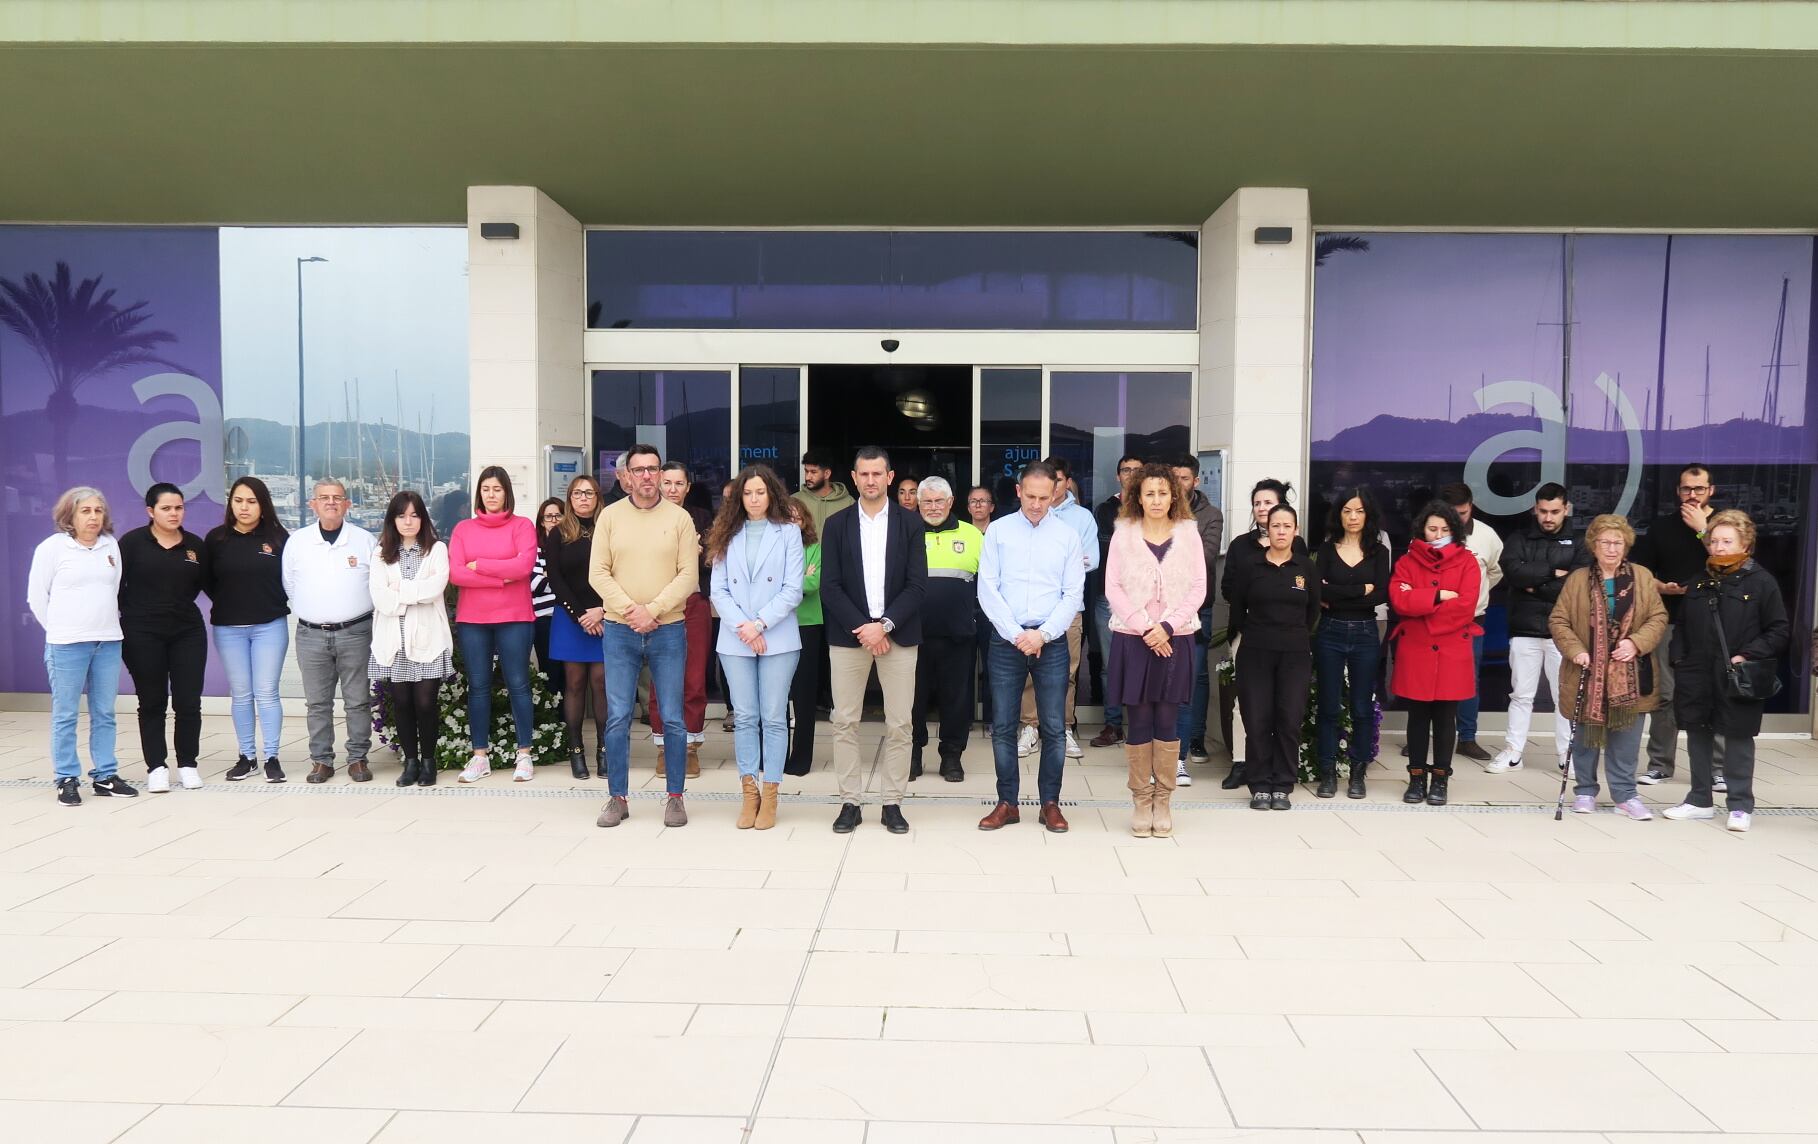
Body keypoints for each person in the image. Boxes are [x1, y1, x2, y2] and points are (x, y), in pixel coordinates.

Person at [589, 443, 701, 828]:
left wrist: (651, 610)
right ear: (627, 476)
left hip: (667, 629)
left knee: (672, 717)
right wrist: (632, 611)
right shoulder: (610, 517)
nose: (648, 477)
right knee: (618, 716)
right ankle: (617, 797)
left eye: (653, 469)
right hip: (620, 630)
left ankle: (674, 797)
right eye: (640, 470)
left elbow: (688, 575)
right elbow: (598, 573)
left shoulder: (680, 519)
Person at [821, 446, 927, 835]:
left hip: (897, 634)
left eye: (877, 474)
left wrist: (884, 625)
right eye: (863, 474)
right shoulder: (837, 525)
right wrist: (865, 629)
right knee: (844, 721)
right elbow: (830, 588)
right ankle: (850, 801)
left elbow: (918, 586)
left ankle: (892, 803)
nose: (870, 481)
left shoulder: (910, 523)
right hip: (850, 637)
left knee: (900, 723)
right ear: (854, 477)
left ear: (890, 476)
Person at [1662, 510, 1788, 833]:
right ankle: (1699, 799)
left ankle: (1740, 805)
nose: (1718, 547)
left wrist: (1747, 654)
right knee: (1697, 732)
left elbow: (1778, 630)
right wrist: (1680, 659)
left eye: (1727, 541)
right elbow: (1684, 626)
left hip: (1737, 672)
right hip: (1697, 672)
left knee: (1738, 736)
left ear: (1746, 544)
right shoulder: (1700, 580)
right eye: (1714, 540)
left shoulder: (1761, 582)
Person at [977, 461, 1083, 833]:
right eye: (1031, 496)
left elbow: (1073, 593)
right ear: (1019, 492)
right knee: (1004, 725)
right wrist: (1015, 634)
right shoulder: (999, 532)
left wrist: (1043, 634)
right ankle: (1007, 803)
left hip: (1050, 641)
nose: (1038, 504)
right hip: (1007, 640)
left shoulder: (1067, 536)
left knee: (1054, 726)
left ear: (1055, 493)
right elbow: (987, 588)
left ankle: (1049, 804)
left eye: (1045, 497)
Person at [1104, 462, 1205, 836]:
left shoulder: (1189, 533)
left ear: (1174, 494)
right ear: (1137, 496)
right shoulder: (1124, 533)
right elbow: (1112, 586)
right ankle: (1140, 799)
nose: (1157, 499)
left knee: (1167, 719)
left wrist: (1166, 626)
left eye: (1163, 492)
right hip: (1134, 639)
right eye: (1150, 493)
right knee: (1139, 719)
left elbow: (1198, 587)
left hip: (1175, 639)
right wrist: (1146, 626)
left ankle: (1163, 799)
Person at [1549, 514, 1668, 819]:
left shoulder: (1642, 577)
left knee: (1626, 739)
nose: (1612, 549)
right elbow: (1558, 620)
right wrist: (1575, 650)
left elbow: (1658, 617)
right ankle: (1585, 791)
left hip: (1630, 675)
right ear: (1594, 545)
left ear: (1626, 545)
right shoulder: (1577, 579)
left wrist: (1637, 642)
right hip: (1587, 674)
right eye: (1605, 542)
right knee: (1587, 738)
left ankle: (1625, 796)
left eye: (1618, 542)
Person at [707, 465, 805, 829]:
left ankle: (772, 793)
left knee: (774, 716)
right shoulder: (725, 533)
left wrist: (759, 623)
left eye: (760, 492)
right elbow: (718, 589)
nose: (753, 499)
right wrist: (744, 628)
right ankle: (749, 793)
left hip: (777, 636)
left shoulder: (788, 533)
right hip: (735, 639)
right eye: (747, 493)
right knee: (746, 716)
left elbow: (793, 588)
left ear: (772, 494)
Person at [28, 487, 137, 805]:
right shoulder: (52, 548)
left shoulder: (110, 546)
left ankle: (105, 775)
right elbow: (37, 597)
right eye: (86, 511)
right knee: (65, 714)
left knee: (104, 712)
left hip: (107, 642)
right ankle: (66, 777)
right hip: (66, 645)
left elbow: (114, 587)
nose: (93, 517)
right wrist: (61, 630)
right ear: (70, 516)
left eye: (98, 510)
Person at [448, 467, 540, 783]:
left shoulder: (522, 526)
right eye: (486, 488)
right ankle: (479, 757)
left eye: (497, 489)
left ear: (506, 493)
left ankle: (524, 754)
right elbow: (457, 573)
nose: (491, 494)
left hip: (514, 616)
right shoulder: (463, 529)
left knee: (518, 684)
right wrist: (504, 578)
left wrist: (483, 567)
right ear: (479, 493)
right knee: (478, 686)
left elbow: (524, 566)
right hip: (473, 619)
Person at [282, 479, 377, 784]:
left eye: (338, 498)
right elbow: (289, 585)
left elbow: (375, 584)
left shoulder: (363, 540)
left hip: (356, 631)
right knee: (317, 703)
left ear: (348, 503)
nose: (331, 503)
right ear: (313, 504)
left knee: (358, 700)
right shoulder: (297, 541)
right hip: (311, 634)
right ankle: (321, 760)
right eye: (324, 498)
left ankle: (358, 758)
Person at [1633, 464, 1722, 786]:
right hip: (1669, 619)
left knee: (1712, 692)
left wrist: (1703, 530)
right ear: (1677, 491)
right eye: (1686, 489)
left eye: (1699, 489)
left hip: (1713, 622)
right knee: (1665, 695)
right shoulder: (1662, 528)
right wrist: (1661, 587)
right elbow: (1641, 573)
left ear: (1711, 490)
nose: (1692, 495)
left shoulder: (1724, 526)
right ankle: (1660, 764)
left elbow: (1731, 564)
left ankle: (1717, 769)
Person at [1389, 501, 1482, 807]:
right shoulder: (1406, 561)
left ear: (1454, 531)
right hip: (1417, 649)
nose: (1438, 534)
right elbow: (1399, 601)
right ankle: (1416, 779)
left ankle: (1440, 779)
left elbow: (1466, 605)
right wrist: (1439, 596)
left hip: (1452, 648)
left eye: (1444, 529)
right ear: (1422, 530)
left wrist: (1423, 609)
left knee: (1445, 717)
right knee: (1416, 717)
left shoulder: (1468, 562)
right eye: (1432, 529)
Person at [117, 482, 209, 793]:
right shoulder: (131, 544)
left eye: (178, 507)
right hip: (142, 632)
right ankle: (156, 766)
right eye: (166, 508)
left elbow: (210, 586)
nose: (173, 513)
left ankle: (188, 764)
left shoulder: (195, 546)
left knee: (188, 702)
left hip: (187, 631)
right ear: (150, 511)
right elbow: (115, 588)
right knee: (152, 701)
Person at [1493, 483, 1590, 774]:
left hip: (1564, 632)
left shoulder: (1581, 541)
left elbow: (1577, 585)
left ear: (1566, 509)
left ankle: (1566, 754)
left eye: (1555, 511)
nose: (1548, 517)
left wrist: (1534, 583)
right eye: (1543, 511)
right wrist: (1553, 573)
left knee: (1566, 695)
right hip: (1524, 628)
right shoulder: (1519, 537)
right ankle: (1513, 752)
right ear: (1535, 509)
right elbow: (1512, 572)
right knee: (1521, 694)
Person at [1229, 504, 1320, 810]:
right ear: (1267, 529)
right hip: (1255, 651)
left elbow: (1313, 611)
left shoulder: (1305, 568)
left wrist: (1292, 635)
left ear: (1296, 530)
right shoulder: (1251, 566)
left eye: (1287, 526)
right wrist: (1259, 633)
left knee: (1289, 718)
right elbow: (1237, 610)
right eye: (1276, 526)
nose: (1281, 531)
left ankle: (1282, 784)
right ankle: (1259, 785)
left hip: (1294, 653)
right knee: (1256, 719)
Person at [1217, 479, 1301, 790]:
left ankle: (1280, 770)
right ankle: (1243, 762)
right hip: (1249, 634)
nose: (1262, 509)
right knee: (1247, 703)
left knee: (1283, 706)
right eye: (1257, 504)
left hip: (1288, 638)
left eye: (1268, 502)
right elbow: (1229, 589)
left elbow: (1310, 601)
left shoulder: (1297, 545)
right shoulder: (1242, 545)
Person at [207, 477, 290, 783]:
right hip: (229, 628)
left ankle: (271, 756)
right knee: (241, 694)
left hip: (269, 625)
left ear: (263, 505)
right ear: (231, 504)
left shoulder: (279, 538)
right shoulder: (216, 540)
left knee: (266, 692)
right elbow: (208, 581)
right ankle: (247, 757)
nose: (244, 507)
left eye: (252, 501)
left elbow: (289, 580)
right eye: (239, 500)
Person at [369, 490, 453, 788]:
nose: (408, 521)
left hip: (428, 639)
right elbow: (381, 599)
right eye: (402, 515)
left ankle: (428, 762)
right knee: (401, 703)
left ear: (423, 518)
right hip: (394, 639)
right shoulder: (381, 552)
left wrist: (399, 590)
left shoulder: (436, 550)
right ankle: (411, 762)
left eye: (414, 515)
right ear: (393, 519)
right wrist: (413, 593)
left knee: (426, 702)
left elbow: (435, 589)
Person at [1017, 455, 1097, 762]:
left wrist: (1069, 565)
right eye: (1032, 495)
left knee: (1068, 672)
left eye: (1059, 481)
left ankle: (1063, 727)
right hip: (1028, 612)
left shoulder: (1082, 519)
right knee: (1027, 673)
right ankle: (1030, 727)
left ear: (1061, 485)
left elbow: (1092, 560)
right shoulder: (1018, 521)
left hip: (1068, 610)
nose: (1038, 501)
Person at [1315, 488, 1390, 799]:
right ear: (1339, 514)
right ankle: (1328, 772)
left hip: (1365, 633)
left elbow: (1382, 594)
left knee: (1361, 707)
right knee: (1329, 706)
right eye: (1347, 510)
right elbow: (1319, 594)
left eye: (1359, 511)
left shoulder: (1378, 551)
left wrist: (1339, 590)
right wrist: (1361, 589)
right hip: (1330, 632)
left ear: (1368, 514)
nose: (1353, 517)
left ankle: (1358, 772)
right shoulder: (1327, 549)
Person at [912, 476, 982, 783]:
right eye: (927, 501)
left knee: (957, 701)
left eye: (939, 500)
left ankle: (951, 757)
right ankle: (912, 755)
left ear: (951, 502)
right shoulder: (906, 531)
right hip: (911, 635)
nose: (933, 507)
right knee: (911, 700)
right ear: (918, 504)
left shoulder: (973, 534)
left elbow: (990, 581)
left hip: (957, 635)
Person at [647, 462, 714, 777]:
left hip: (693, 603)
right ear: (659, 484)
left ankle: (689, 747)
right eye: (668, 483)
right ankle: (664, 748)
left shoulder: (702, 518)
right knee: (661, 680)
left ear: (688, 487)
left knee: (694, 677)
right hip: (657, 605)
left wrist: (702, 554)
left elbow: (714, 560)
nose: (672, 489)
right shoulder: (645, 517)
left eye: (679, 483)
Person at [542, 475, 608, 780]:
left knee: (601, 682)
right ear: (570, 498)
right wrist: (581, 614)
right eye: (578, 493)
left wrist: (602, 611)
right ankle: (576, 750)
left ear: (597, 497)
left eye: (589, 493)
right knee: (575, 683)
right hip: (571, 618)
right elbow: (555, 578)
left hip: (605, 616)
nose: (584, 498)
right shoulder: (558, 533)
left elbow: (619, 572)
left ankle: (605, 751)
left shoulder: (609, 529)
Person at [1437, 481, 1504, 763]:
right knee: (1433, 677)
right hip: (1435, 618)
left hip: (1471, 619)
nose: (1456, 520)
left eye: (1462, 513)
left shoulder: (1487, 536)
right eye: (1452, 513)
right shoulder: (1432, 533)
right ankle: (1428, 736)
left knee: (1469, 680)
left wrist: (1474, 596)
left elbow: (1495, 572)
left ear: (1471, 508)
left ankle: (1466, 738)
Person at [1169, 454, 1226, 783]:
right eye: (1174, 478)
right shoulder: (1157, 510)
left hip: (1195, 608)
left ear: (1196, 481)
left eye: (1185, 478)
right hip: (1158, 610)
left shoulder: (1210, 516)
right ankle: (1160, 748)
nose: (1179, 484)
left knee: (1191, 680)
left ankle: (1187, 746)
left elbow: (1204, 557)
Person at [1089, 454, 1145, 750]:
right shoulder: (1106, 509)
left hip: (1145, 600)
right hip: (1108, 598)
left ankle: (1139, 726)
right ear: (1118, 475)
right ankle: (1113, 725)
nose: (1132, 474)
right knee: (1111, 666)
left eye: (1138, 470)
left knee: (1141, 664)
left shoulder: (1156, 508)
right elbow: (1109, 548)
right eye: (1127, 470)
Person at [784, 496, 823, 776]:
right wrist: (797, 580)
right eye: (787, 516)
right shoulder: (773, 547)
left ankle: (801, 759)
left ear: (805, 519)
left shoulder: (816, 549)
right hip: (776, 627)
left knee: (804, 696)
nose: (793, 520)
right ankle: (775, 755)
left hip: (808, 626)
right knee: (777, 698)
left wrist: (785, 583)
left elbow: (813, 583)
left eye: (797, 516)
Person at [967, 484, 998, 726]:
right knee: (964, 667)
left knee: (992, 666)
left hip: (992, 610)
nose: (978, 505)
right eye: (973, 501)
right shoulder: (961, 534)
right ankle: (964, 717)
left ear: (992, 506)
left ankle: (991, 718)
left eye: (983, 500)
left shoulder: (999, 534)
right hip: (964, 608)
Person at [531, 496, 565, 707]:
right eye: (549, 517)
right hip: (544, 619)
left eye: (558, 515)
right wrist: (559, 577)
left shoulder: (570, 547)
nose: (554, 520)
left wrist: (549, 575)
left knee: (570, 676)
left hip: (569, 616)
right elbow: (535, 585)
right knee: (550, 673)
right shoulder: (534, 550)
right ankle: (554, 724)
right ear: (541, 521)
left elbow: (578, 581)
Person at [798, 448, 855, 538]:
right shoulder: (794, 501)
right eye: (806, 471)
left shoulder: (848, 503)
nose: (808, 477)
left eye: (813, 472)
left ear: (827, 474)